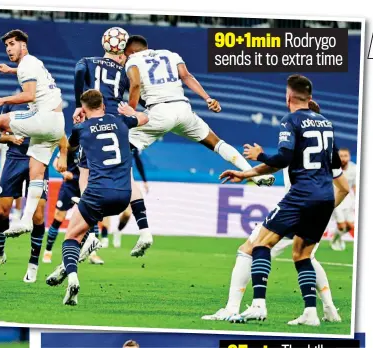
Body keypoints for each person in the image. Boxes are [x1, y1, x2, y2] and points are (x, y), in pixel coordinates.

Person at [122, 35, 276, 254]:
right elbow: (186, 75)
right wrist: (207, 98)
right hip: (183, 109)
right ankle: (255, 174)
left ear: (131, 50)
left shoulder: (133, 60)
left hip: (158, 112)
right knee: (216, 142)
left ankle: (142, 226)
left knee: (121, 148)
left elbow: (135, 84)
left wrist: (132, 111)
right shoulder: (169, 54)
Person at [202, 100, 346, 323]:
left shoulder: (295, 140)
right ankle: (326, 308)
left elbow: (277, 162)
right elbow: (344, 188)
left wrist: (256, 163)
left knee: (249, 248)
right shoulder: (325, 152)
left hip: (295, 207)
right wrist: (322, 211)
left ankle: (237, 307)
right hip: (316, 209)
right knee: (305, 257)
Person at [0, 29, 67, 237]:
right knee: (36, 170)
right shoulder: (33, 63)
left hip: (44, 119)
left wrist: (2, 100)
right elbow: (33, 79)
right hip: (57, 124)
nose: (8, 48)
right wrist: (10, 70)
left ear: (23, 45)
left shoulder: (27, 64)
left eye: (12, 44)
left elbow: (29, 94)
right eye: (6, 45)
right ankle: (26, 221)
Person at [55, 90, 148, 306]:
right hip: (123, 195)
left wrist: (77, 121)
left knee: (71, 237)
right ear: (104, 106)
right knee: (91, 220)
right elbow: (146, 117)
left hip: (98, 193)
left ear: (83, 108)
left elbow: (70, 147)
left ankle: (73, 277)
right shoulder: (121, 121)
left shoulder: (80, 128)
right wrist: (131, 111)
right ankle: (98, 237)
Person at [73, 33, 152, 257]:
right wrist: (134, 108)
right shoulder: (125, 71)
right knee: (127, 175)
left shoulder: (86, 62)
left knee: (85, 174)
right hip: (117, 125)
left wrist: (80, 104)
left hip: (94, 124)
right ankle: (145, 230)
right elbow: (136, 90)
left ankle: (90, 235)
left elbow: (79, 73)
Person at [0, 101, 50, 283]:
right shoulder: (11, 106)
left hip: (38, 159)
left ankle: (33, 263)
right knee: (2, 211)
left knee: (38, 216)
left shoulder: (46, 104)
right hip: (14, 159)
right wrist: (11, 139)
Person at [42, 149, 104, 265]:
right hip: (69, 186)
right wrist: (64, 173)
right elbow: (56, 162)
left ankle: (93, 254)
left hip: (86, 186)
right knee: (58, 218)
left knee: (92, 219)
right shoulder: (71, 143)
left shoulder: (91, 143)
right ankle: (48, 251)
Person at [330, 148, 357, 251]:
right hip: (336, 199)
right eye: (341, 156)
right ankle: (334, 240)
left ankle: (336, 237)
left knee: (350, 226)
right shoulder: (332, 168)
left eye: (345, 156)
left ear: (349, 157)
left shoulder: (354, 168)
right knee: (341, 226)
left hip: (349, 200)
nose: (343, 158)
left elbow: (355, 186)